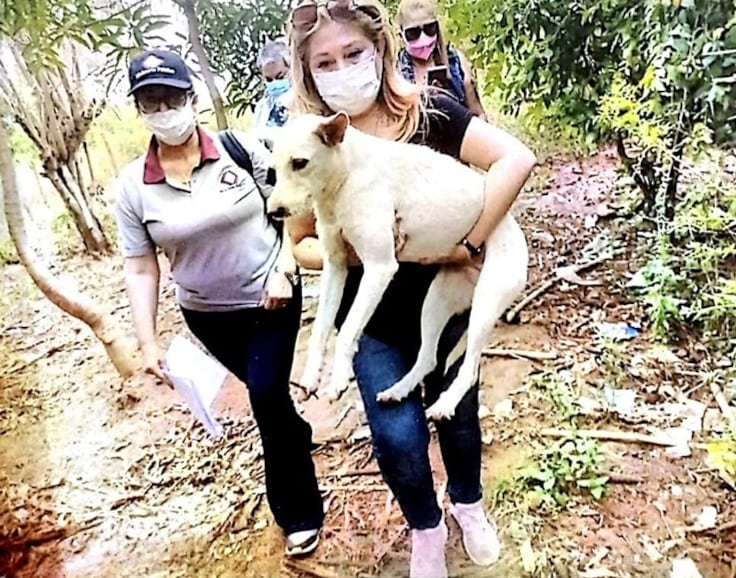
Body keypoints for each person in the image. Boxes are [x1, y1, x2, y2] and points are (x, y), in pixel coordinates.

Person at [286, 2, 536, 577]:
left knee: (459, 416)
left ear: (381, 51)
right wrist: (344, 252)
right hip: (370, 318)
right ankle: (426, 526)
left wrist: (469, 246)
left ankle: (468, 506)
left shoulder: (430, 116)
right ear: (307, 72)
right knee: (395, 436)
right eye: (325, 61)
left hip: (447, 295)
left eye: (353, 54)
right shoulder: (311, 145)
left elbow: (513, 160)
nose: (342, 68)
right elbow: (301, 241)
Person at [113, 49, 324, 556]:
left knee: (265, 395)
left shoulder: (241, 149)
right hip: (206, 317)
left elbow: (291, 209)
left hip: (272, 294)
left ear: (192, 98)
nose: (164, 109)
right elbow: (142, 265)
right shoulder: (132, 187)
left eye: (172, 97)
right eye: (151, 100)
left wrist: (286, 268)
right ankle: (297, 433)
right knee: (272, 399)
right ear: (139, 108)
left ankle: (298, 512)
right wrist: (147, 341)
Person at [395, 0, 487, 119]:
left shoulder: (455, 63)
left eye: (429, 28)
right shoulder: (395, 71)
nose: (423, 38)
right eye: (413, 33)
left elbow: (478, 113)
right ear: (401, 35)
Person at [252, 38, 292, 133]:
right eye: (269, 80)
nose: (275, 83)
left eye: (281, 77)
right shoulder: (261, 108)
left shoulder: (308, 102)